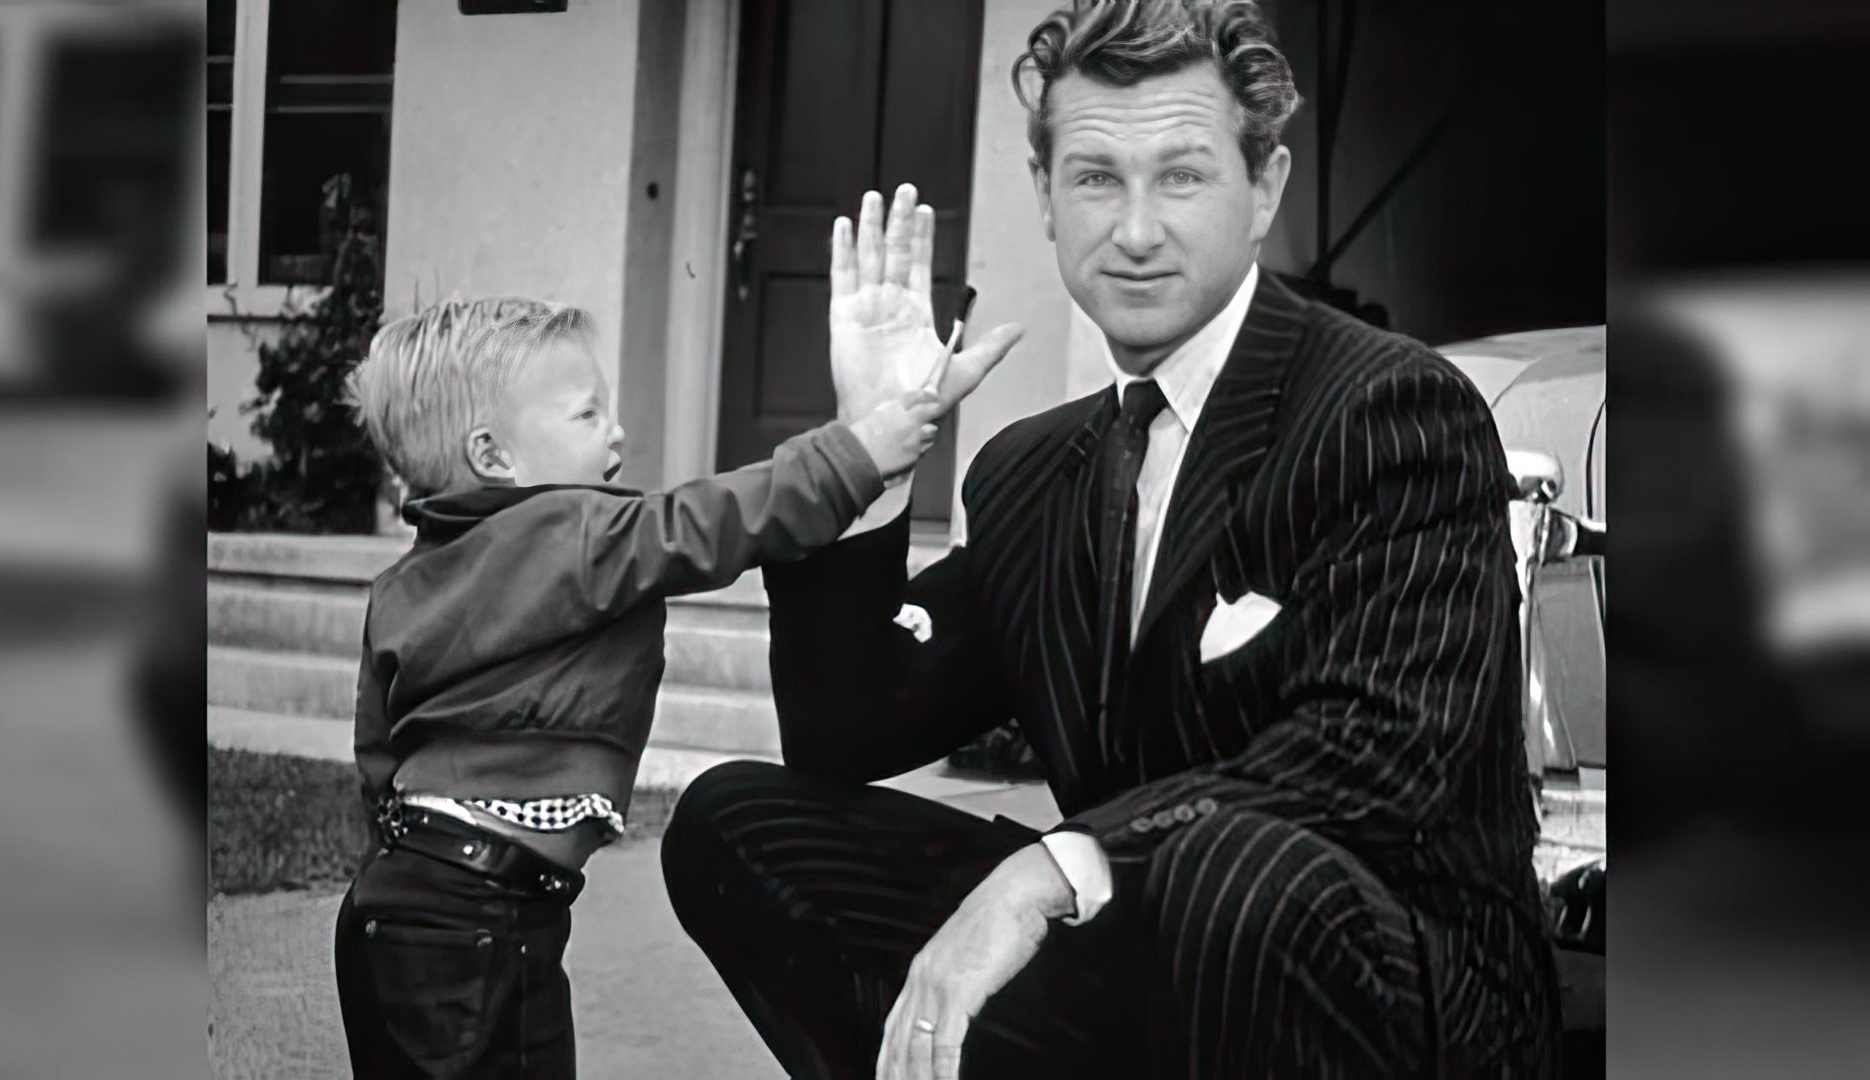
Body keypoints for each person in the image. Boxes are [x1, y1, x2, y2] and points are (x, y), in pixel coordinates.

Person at [661, 2, 1559, 1076]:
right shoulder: (1033, 472)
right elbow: (843, 736)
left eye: (1181, 176)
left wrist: (1053, 867)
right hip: (1147, 971)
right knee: (734, 824)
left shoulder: (1392, 409)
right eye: (1095, 178)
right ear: (1045, 198)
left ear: (1263, 187)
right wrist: (872, 455)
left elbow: (1374, 760)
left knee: (1239, 871)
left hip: (1388, 991)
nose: (1135, 230)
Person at [332, 296, 1018, 1077]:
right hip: (481, 920)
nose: (617, 431)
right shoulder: (572, 532)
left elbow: (377, 754)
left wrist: (391, 882)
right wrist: (860, 454)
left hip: (395, 907)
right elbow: (715, 521)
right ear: (495, 458)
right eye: (589, 415)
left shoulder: (401, 585)